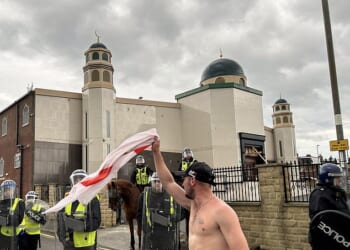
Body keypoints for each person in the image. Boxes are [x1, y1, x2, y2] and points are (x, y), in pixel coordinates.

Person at [152, 138, 249, 250]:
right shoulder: (192, 204)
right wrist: (156, 152)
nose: (182, 183)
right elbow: (168, 183)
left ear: (192, 181)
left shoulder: (223, 212)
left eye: (185, 179)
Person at [57, 169, 101, 250]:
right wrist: (61, 235)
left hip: (86, 245)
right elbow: (60, 216)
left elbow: (96, 222)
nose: (78, 182)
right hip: (69, 243)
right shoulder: (68, 198)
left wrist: (77, 225)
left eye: (81, 179)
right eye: (76, 180)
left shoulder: (92, 198)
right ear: (72, 182)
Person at [308, 163, 350, 248]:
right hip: (329, 240)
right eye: (337, 178)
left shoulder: (337, 192)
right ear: (328, 179)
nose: (340, 180)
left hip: (343, 235)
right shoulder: (319, 195)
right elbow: (324, 221)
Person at [138, 172, 181, 250]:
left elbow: (179, 213)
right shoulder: (144, 195)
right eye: (155, 181)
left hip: (167, 233)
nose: (157, 183)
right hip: (151, 232)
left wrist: (172, 218)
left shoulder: (170, 194)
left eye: (159, 181)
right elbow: (140, 214)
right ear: (151, 182)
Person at [178, 147, 197, 243]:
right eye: (187, 153)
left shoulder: (196, 162)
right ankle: (189, 237)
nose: (188, 155)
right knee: (187, 216)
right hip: (185, 188)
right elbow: (178, 174)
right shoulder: (182, 163)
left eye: (189, 153)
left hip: (194, 187)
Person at [0, 179, 25, 250]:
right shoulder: (1, 203)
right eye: (6, 190)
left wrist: (5, 219)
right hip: (2, 235)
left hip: (14, 235)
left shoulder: (20, 202)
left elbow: (20, 220)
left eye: (10, 190)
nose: (8, 192)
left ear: (14, 190)